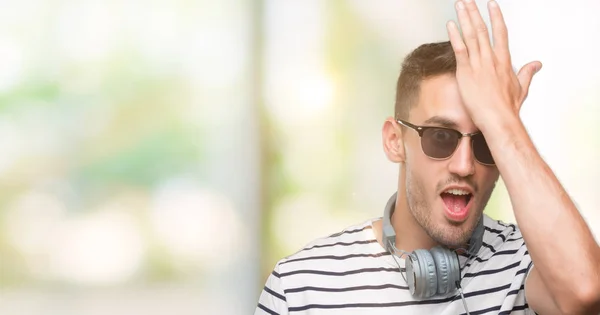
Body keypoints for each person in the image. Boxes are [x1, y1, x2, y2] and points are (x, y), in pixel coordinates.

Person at [254, 1, 600, 314]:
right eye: (440, 137)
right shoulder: (301, 287)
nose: (464, 165)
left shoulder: (530, 263)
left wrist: (504, 124)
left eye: (485, 142)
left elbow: (585, 291)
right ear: (394, 141)